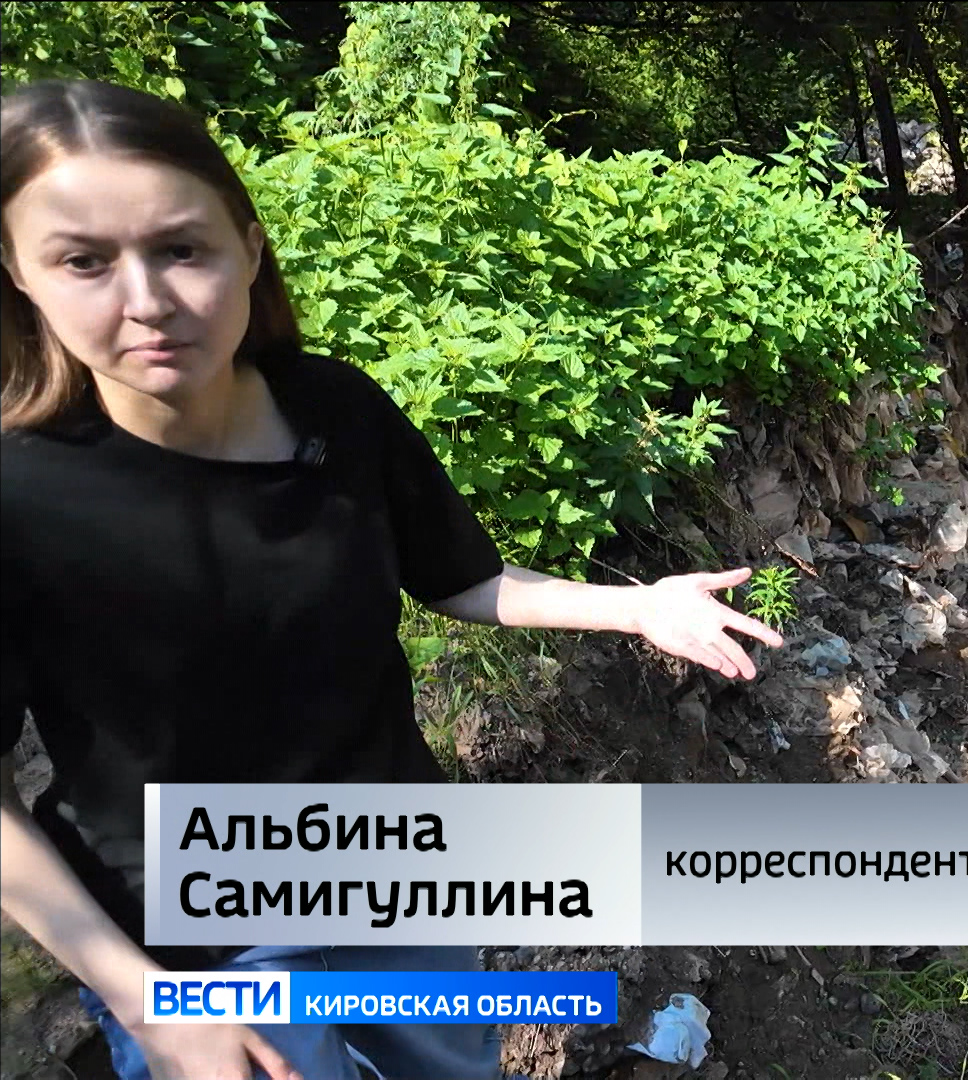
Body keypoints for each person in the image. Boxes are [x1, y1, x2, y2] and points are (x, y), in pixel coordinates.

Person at [0, 79, 784, 1080]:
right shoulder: (19, 496)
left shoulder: (335, 409)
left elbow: (461, 579)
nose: (147, 300)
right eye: (83, 261)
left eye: (182, 248)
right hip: (189, 941)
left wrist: (639, 607)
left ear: (249, 248)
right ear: (18, 272)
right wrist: (140, 996)